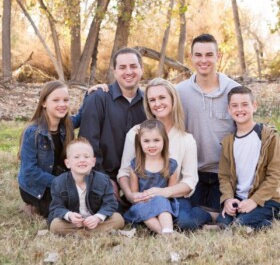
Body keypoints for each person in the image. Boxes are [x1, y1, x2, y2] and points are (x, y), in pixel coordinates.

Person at [118, 78, 202, 230]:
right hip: (143, 197)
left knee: (185, 223)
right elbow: (124, 172)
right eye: (152, 100)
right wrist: (130, 195)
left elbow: (190, 181)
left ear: (173, 99)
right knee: (137, 216)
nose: (157, 103)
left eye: (162, 97)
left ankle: (207, 215)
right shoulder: (137, 133)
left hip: (172, 196)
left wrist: (163, 192)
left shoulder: (186, 139)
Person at [18, 80, 104, 218]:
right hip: (36, 187)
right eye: (56, 100)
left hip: (60, 179)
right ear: (44, 103)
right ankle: (31, 208)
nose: (62, 104)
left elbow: (81, 116)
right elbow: (29, 171)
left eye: (66, 100)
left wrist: (89, 94)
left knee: (90, 201)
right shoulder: (32, 132)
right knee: (68, 209)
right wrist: (62, 182)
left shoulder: (66, 125)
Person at [176, 34, 240, 220]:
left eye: (209, 55)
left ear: (218, 56)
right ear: (191, 57)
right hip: (191, 173)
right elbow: (152, 100)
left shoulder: (234, 91)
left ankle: (213, 216)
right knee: (185, 219)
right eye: (198, 55)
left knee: (228, 217)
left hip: (225, 175)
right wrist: (101, 88)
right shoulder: (179, 92)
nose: (204, 60)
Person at [79, 47, 146, 183]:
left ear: (141, 69)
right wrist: (103, 179)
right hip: (102, 177)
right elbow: (88, 144)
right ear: (114, 72)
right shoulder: (98, 98)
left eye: (133, 66)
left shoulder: (149, 102)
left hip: (139, 179)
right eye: (122, 67)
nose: (128, 72)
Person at [216, 86, 280, 229]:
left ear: (254, 106)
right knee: (222, 222)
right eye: (235, 106)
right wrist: (228, 199)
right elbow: (224, 176)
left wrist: (254, 201)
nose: (240, 109)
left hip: (267, 198)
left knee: (240, 224)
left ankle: (267, 220)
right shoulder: (228, 142)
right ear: (229, 109)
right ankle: (249, 221)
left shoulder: (268, 137)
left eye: (245, 104)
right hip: (239, 198)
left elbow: (274, 175)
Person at [48, 137, 124, 235]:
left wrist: (97, 217)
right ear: (67, 163)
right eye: (76, 157)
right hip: (73, 223)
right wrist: (69, 215)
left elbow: (110, 204)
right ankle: (91, 232)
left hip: (96, 220)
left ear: (93, 162)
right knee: (55, 225)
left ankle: (81, 233)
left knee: (118, 219)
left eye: (86, 156)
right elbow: (56, 207)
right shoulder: (58, 182)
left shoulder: (103, 180)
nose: (82, 160)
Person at [123, 120, 179, 234]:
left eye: (156, 140)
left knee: (160, 201)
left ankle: (167, 230)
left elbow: (170, 192)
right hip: (143, 204)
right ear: (140, 143)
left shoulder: (171, 165)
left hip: (164, 205)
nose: (151, 145)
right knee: (143, 209)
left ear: (164, 141)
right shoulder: (135, 166)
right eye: (146, 141)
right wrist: (143, 197)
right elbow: (135, 195)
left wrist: (157, 196)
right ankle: (164, 234)